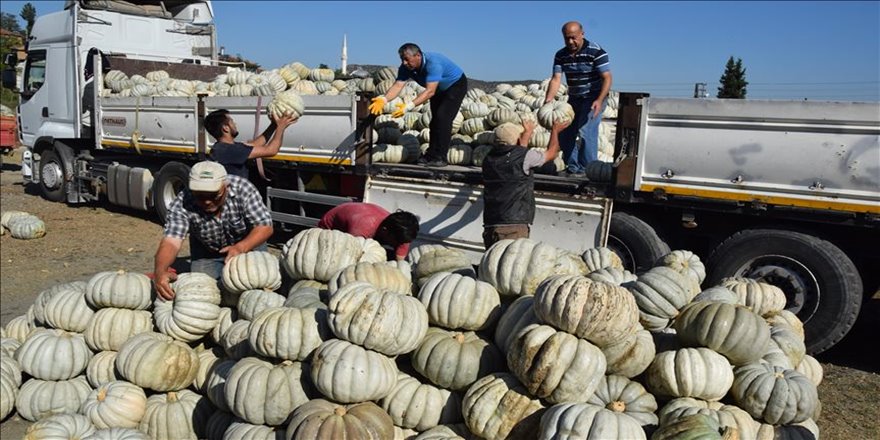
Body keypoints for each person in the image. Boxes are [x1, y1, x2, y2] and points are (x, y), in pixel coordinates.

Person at [153, 161, 274, 299]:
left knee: (258, 289)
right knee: (205, 295)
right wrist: (160, 270)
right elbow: (171, 242)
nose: (207, 201)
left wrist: (240, 247)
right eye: (200, 196)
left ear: (226, 186)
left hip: (248, 246)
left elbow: (265, 226)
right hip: (207, 251)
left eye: (213, 195)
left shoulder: (243, 189)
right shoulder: (182, 203)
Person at [368, 43, 467, 168]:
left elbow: (430, 91)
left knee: (443, 119)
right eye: (402, 59)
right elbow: (398, 85)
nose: (404, 62)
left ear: (418, 55)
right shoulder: (405, 68)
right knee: (434, 121)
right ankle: (431, 155)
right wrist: (383, 99)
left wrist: (408, 106)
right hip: (438, 89)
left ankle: (440, 157)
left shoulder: (433, 63)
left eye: (406, 59)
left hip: (455, 86)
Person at [481, 119, 571, 249]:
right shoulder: (524, 157)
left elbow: (518, 153)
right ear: (517, 140)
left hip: (490, 224)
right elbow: (552, 153)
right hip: (513, 226)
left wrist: (528, 132)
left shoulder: (488, 159)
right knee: (510, 266)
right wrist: (555, 131)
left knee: (491, 264)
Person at [544, 21, 613, 178]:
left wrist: (599, 100)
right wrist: (548, 100)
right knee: (565, 130)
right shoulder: (561, 55)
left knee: (586, 131)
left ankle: (589, 171)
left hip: (595, 97)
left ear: (582, 34)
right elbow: (556, 79)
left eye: (573, 38)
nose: (570, 42)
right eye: (567, 38)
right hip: (574, 97)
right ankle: (574, 168)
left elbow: (607, 78)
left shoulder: (596, 52)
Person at [205, 109, 298, 178]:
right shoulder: (229, 150)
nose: (235, 124)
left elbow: (256, 144)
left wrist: (274, 125)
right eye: (232, 122)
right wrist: (281, 127)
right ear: (226, 128)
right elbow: (271, 150)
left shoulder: (223, 148)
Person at [317, 202, 420, 261]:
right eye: (396, 242)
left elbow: (399, 261)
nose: (400, 245)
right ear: (385, 231)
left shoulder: (403, 233)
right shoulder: (363, 227)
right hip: (330, 230)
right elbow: (349, 255)